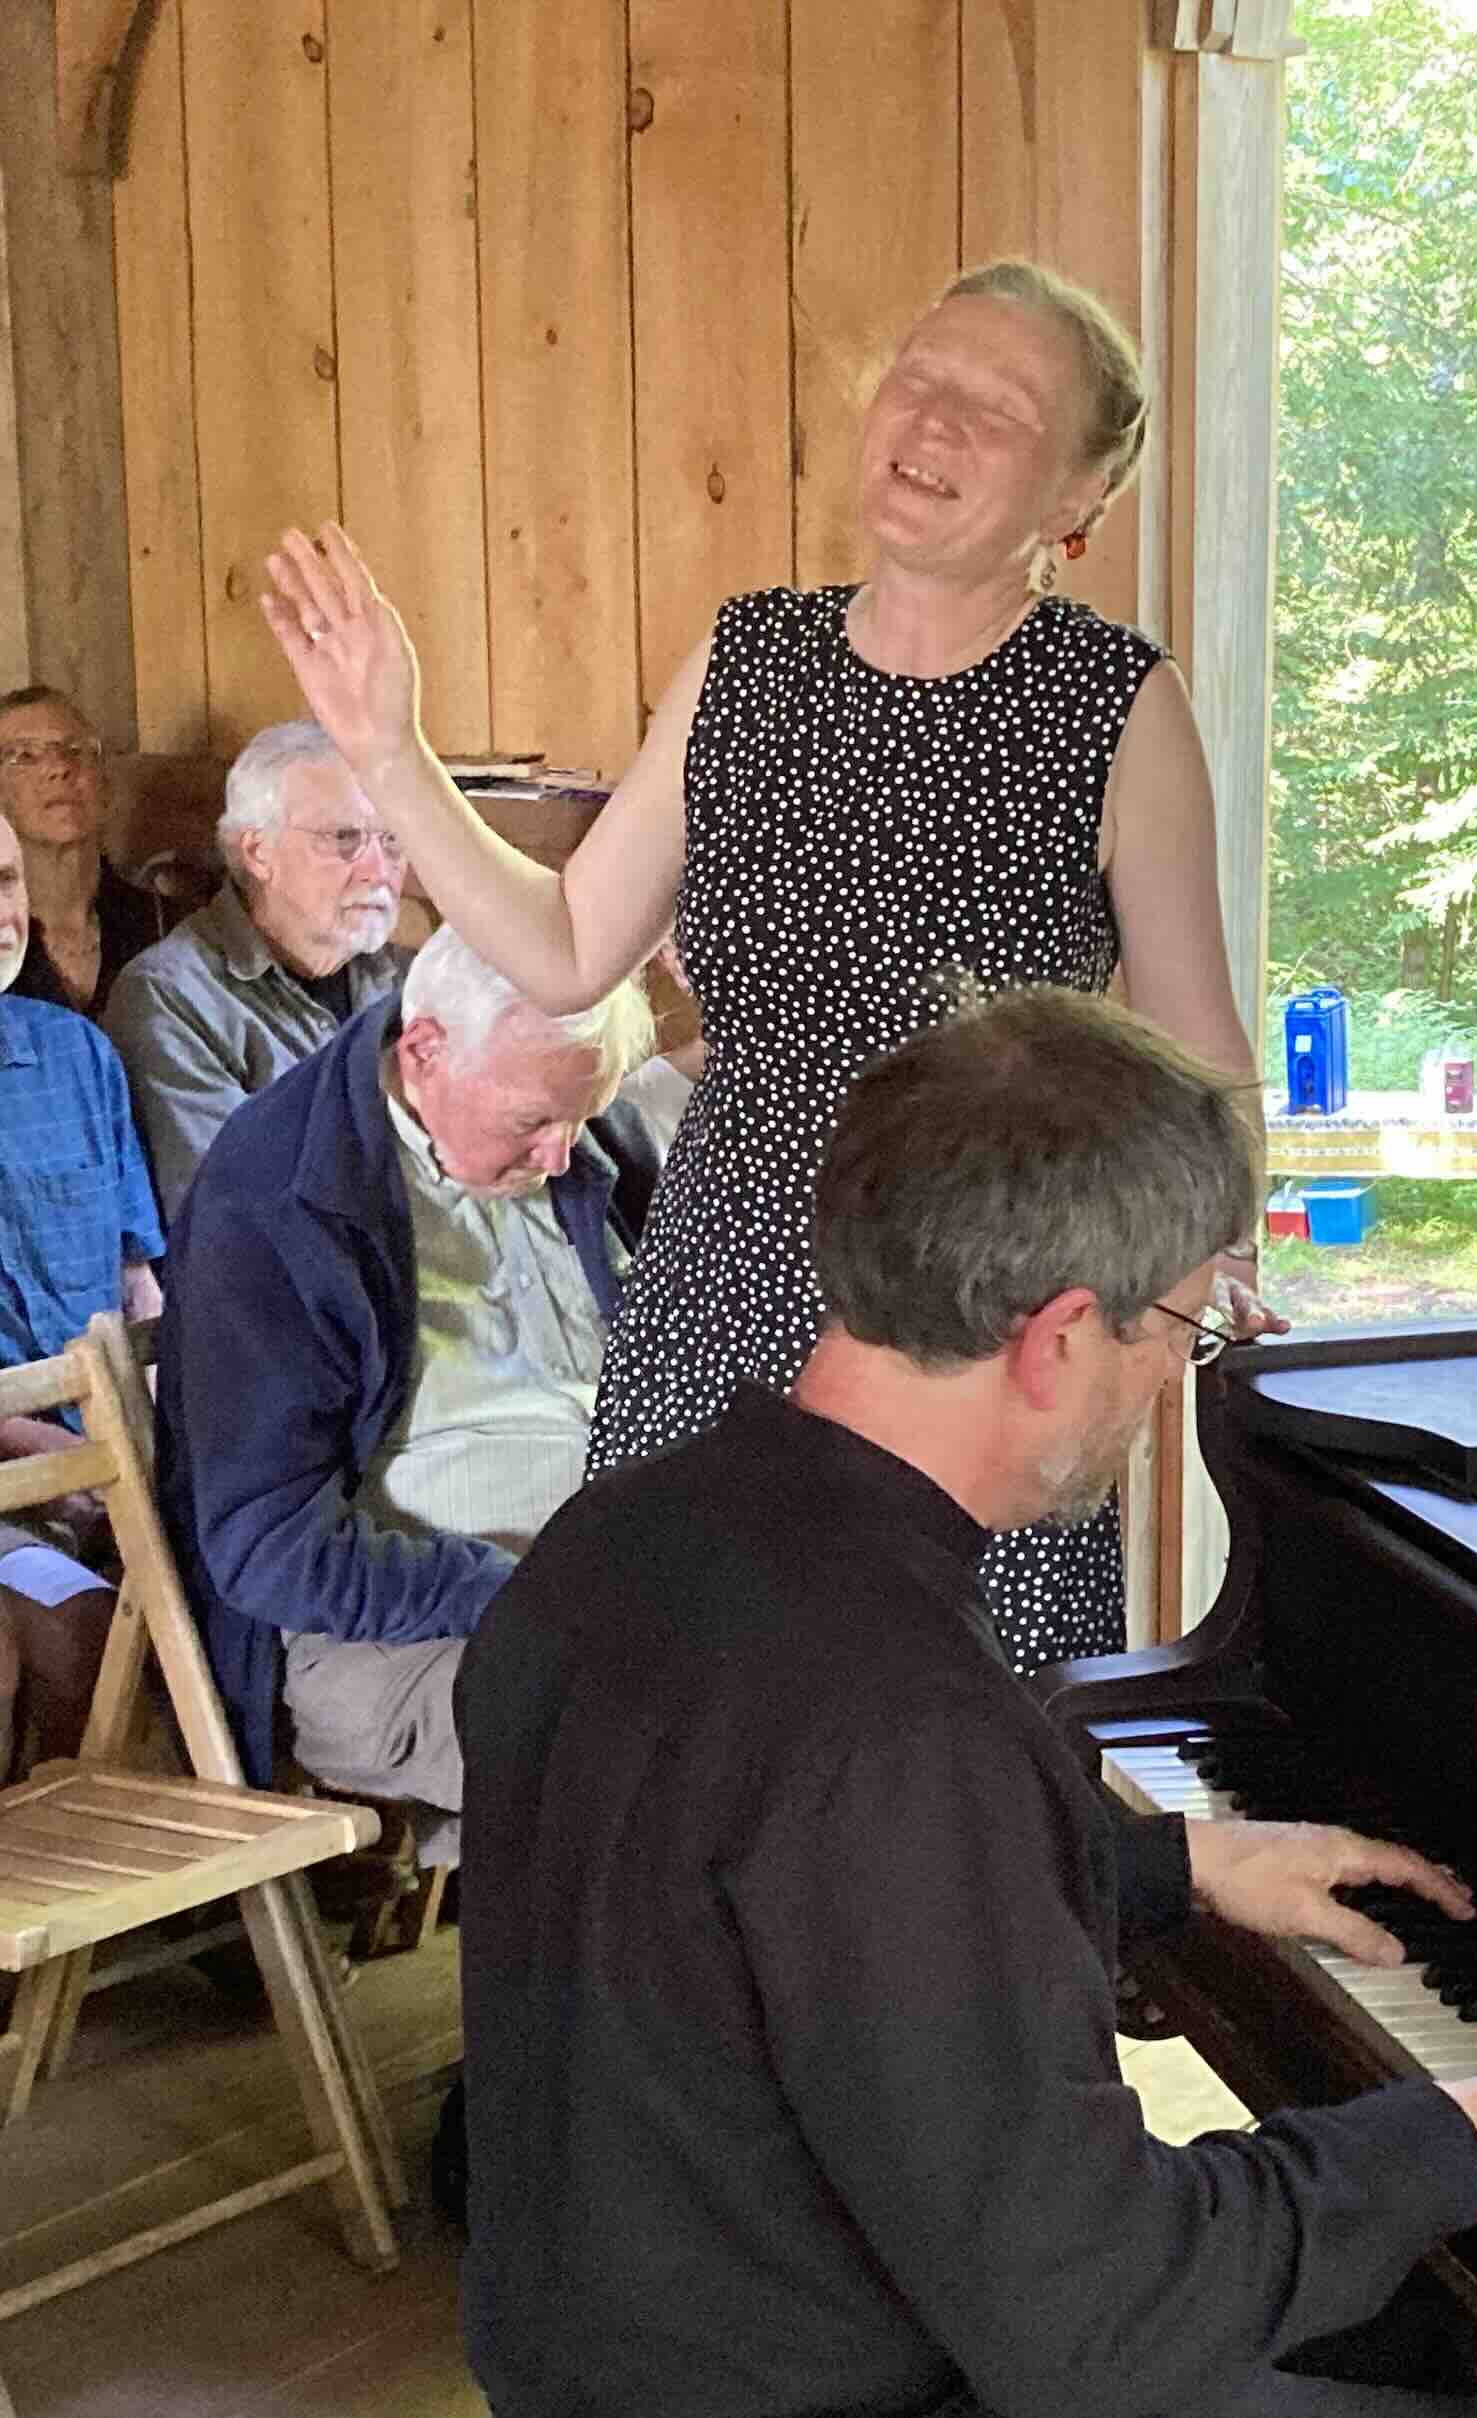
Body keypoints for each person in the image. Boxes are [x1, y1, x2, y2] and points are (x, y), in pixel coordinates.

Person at [456, 986, 1477, 2418]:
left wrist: (1158, 1863)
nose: (1176, 1376)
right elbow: (1088, 2317)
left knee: (1427, 2336)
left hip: (638, 2405)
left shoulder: (633, 1536)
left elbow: (754, 1904)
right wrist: (1460, 2135)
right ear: (1059, 1334)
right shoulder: (899, 1716)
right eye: (1184, 1325)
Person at [262, 259, 1281, 1677]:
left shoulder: (1114, 702)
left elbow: (1206, 1070)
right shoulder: (750, 655)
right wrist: (389, 751)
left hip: (977, 1308)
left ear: (1074, 505)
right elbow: (568, 947)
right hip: (728, 1275)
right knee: (690, 1722)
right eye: (921, 377)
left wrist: (1184, 1285)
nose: (932, 420)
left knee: (936, 1755)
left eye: (996, 408)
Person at [155, 927, 658, 1859]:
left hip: (614, 1585)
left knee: (841, 1686)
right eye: (532, 1123)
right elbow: (270, 1549)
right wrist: (518, 1596)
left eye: (580, 1118)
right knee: (661, 1753)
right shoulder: (277, 1197)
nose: (560, 1154)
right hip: (388, 1636)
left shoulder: (578, 1127)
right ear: (424, 1048)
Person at [0, 811, 164, 1775]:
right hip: (35, 1477)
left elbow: (141, 1285)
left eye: (8, 883)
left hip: (108, 1457)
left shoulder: (72, 1053)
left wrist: (156, 1438)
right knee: (83, 1634)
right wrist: (96, 1467)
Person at [102, 719, 408, 1221]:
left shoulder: (409, 979)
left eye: (392, 839)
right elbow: (236, 1212)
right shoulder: (169, 997)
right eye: (344, 837)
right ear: (258, 852)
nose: (379, 869)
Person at [0, 683, 171, 1019]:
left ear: (105, 785)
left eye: (75, 749)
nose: (59, 768)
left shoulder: (164, 924)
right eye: (25, 756)